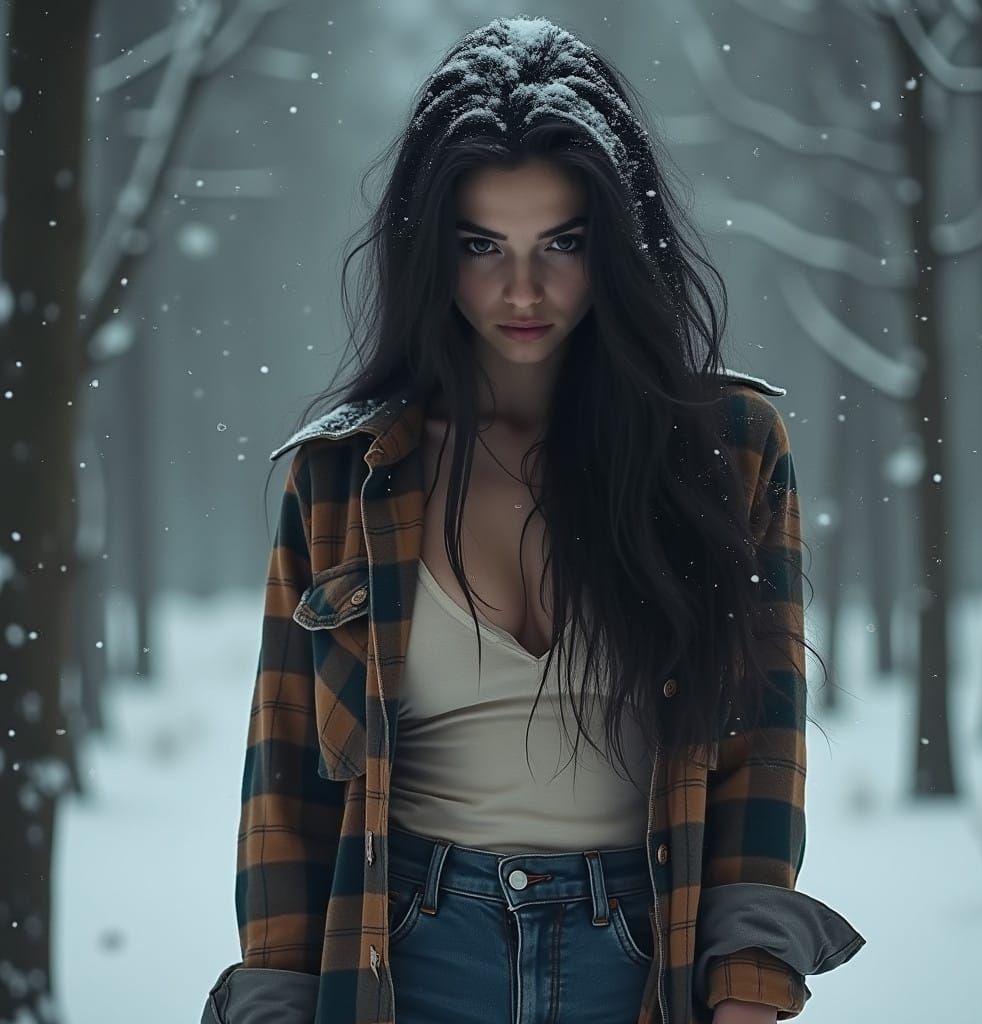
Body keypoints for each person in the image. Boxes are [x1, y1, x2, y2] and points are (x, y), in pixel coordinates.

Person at [201, 15, 864, 1024]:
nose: (522, 288)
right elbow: (285, 794)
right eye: (481, 245)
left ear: (618, 244)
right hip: (405, 960)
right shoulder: (342, 480)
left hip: (648, 953)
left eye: (562, 242)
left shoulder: (726, 449)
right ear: (430, 251)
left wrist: (747, 990)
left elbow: (757, 748)